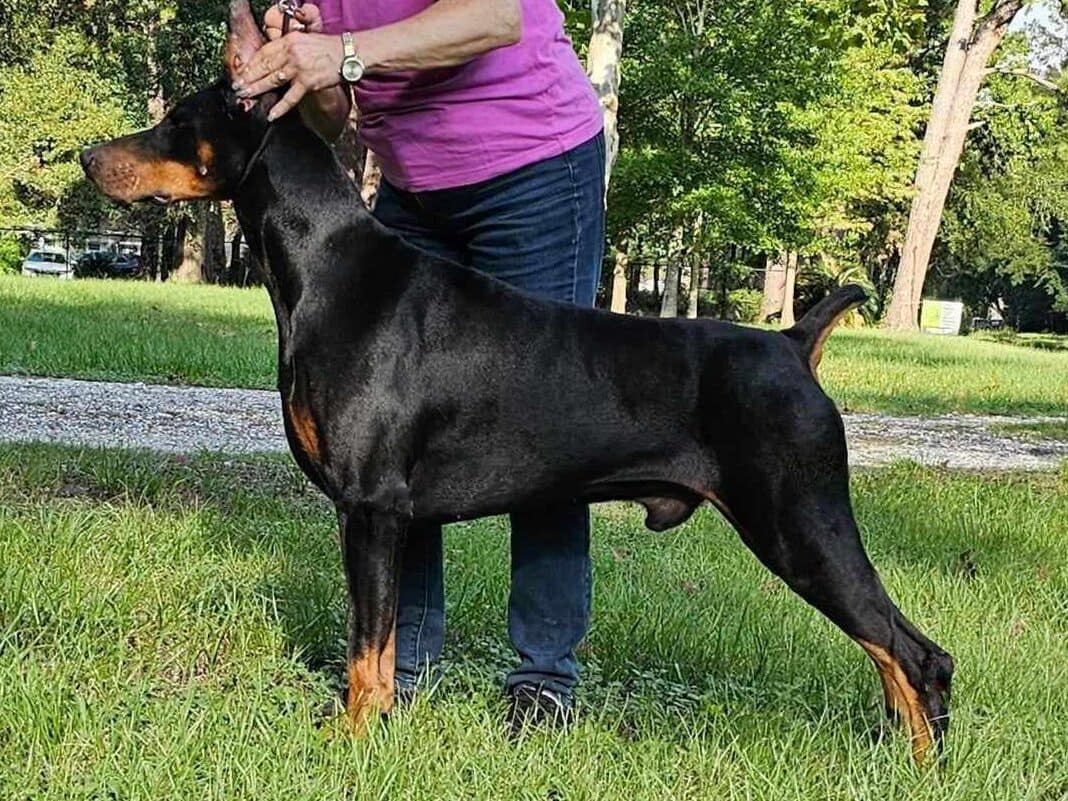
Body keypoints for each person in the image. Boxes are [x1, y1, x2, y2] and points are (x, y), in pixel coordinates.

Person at [234, 0, 605, 726]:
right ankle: (403, 665)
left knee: (551, 424)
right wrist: (286, 61)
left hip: (532, 166)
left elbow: (496, 18)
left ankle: (543, 677)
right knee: (388, 435)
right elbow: (332, 117)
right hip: (412, 190)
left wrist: (340, 51)